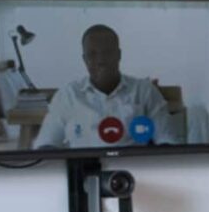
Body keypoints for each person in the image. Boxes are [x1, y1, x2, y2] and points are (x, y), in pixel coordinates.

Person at [30, 23, 179, 149]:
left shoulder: (143, 91)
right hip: (83, 172)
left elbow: (167, 141)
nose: (101, 60)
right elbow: (45, 145)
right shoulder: (68, 96)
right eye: (92, 54)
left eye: (107, 52)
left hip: (136, 171)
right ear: (84, 59)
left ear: (119, 55)